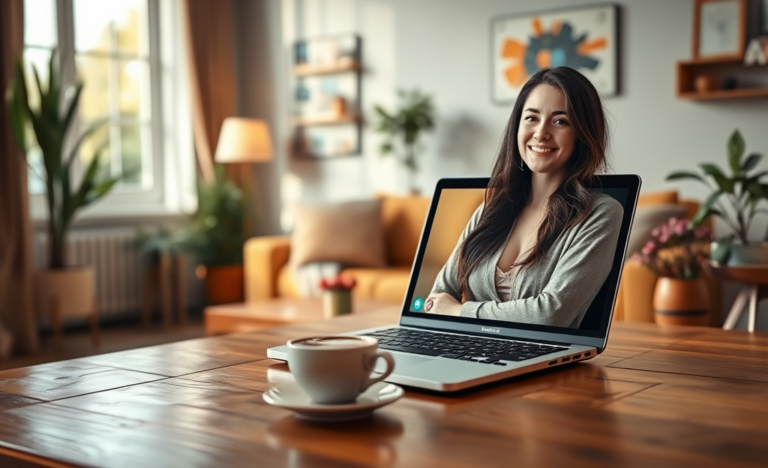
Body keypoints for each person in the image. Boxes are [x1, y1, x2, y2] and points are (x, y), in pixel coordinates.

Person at [425, 67, 623, 328]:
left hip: (542, 358)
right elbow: (436, 299)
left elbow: (550, 315)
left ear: (582, 134)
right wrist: (446, 309)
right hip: (467, 349)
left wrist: (460, 312)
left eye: (560, 121)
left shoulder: (601, 214)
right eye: (531, 118)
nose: (541, 133)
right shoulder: (491, 209)